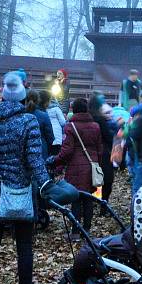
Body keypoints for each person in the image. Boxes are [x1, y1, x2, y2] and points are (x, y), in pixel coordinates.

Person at [0, 71, 78, 284]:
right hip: (21, 192)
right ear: (22, 95)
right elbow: (35, 161)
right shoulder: (28, 122)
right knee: (24, 248)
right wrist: (47, 185)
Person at [51, 97, 102, 239]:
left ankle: (75, 232)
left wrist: (55, 163)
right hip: (91, 167)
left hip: (75, 168)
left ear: (73, 110)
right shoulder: (96, 126)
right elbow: (99, 149)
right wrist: (98, 164)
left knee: (76, 199)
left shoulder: (70, 127)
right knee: (88, 199)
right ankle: (87, 230)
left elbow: (67, 151)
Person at [89, 96, 117, 201]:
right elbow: (109, 137)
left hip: (88, 153)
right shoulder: (101, 120)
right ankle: (103, 203)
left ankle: (92, 200)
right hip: (103, 153)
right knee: (106, 179)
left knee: (92, 179)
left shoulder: (88, 118)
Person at [25, 90, 54, 160]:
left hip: (23, 152)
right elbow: (50, 137)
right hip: (41, 152)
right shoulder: (44, 116)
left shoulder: (20, 114)